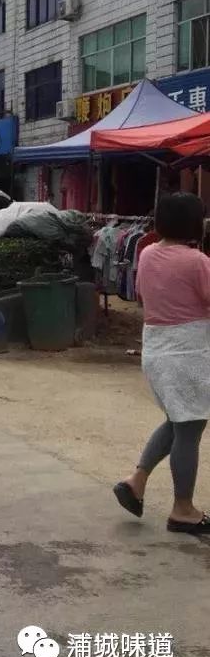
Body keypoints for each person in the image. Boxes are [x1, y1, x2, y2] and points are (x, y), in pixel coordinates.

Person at [113, 193, 210, 535]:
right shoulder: (197, 261)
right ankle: (183, 509)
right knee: (189, 428)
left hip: (156, 349)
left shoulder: (148, 253)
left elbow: (141, 294)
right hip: (188, 353)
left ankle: (136, 480)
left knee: (176, 422)